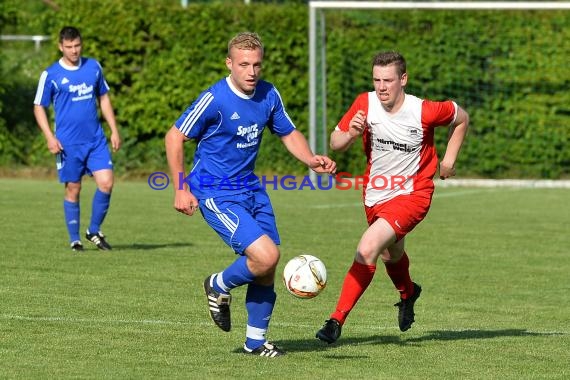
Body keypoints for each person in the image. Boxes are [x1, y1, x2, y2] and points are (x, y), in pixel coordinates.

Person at [165, 32, 336, 358]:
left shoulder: (269, 94)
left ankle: (255, 343)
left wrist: (310, 158)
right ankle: (217, 284)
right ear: (230, 63)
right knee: (266, 256)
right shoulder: (215, 99)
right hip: (216, 192)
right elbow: (174, 137)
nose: (251, 71)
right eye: (244, 64)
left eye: (257, 64)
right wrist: (180, 186)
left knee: (266, 266)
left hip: (251, 190)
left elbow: (288, 132)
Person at [316, 51, 469, 344]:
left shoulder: (424, 110)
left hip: (414, 193)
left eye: (388, 80)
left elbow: (461, 118)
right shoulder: (365, 103)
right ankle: (408, 293)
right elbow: (336, 143)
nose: (381, 87)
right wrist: (350, 133)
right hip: (375, 193)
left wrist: (449, 158)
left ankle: (335, 321)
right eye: (376, 80)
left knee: (368, 246)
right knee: (392, 254)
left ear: (403, 79)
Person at [33, 26, 121, 252]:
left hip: (95, 140)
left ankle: (93, 229)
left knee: (107, 182)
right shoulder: (51, 74)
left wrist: (114, 129)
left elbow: (104, 98)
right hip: (68, 144)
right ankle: (75, 239)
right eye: (69, 47)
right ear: (60, 46)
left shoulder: (93, 67)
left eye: (77, 46)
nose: (74, 51)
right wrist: (49, 137)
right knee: (74, 188)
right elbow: (38, 107)